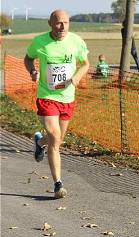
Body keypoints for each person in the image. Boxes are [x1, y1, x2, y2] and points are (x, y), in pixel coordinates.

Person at [24, 9, 90, 199]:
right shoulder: (39, 42)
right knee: (55, 136)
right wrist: (33, 71)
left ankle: (39, 142)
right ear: (50, 23)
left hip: (67, 98)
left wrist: (76, 77)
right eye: (59, 23)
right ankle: (58, 184)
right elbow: (28, 59)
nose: (63, 27)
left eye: (66, 23)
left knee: (57, 139)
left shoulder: (76, 41)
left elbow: (85, 63)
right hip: (47, 96)